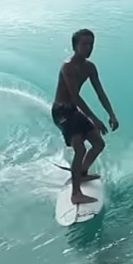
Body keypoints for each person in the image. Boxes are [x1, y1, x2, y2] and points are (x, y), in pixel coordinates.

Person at [52, 28, 119, 205]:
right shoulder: (67, 67)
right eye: (84, 44)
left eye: (91, 44)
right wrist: (94, 119)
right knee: (80, 148)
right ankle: (75, 194)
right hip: (61, 112)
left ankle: (81, 173)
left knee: (98, 144)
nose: (88, 48)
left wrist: (111, 114)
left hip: (73, 111)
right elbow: (75, 96)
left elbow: (100, 92)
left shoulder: (90, 67)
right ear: (75, 46)